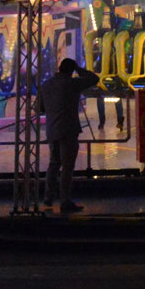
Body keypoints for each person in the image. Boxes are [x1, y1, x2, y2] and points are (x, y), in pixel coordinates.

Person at [37, 58, 99, 213]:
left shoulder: (46, 85)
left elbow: (40, 108)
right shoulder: (72, 84)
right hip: (68, 129)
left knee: (54, 164)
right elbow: (94, 79)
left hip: (52, 130)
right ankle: (65, 200)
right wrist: (80, 69)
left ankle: (48, 197)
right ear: (72, 70)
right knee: (67, 166)